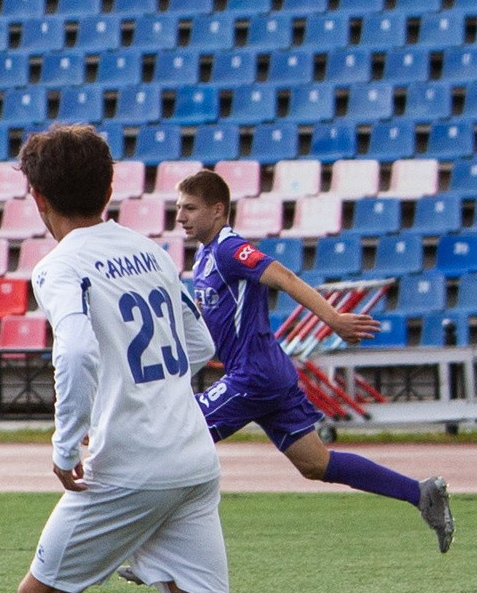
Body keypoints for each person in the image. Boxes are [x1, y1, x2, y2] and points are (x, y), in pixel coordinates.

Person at [16, 126, 385, 593]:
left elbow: (74, 354)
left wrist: (67, 443)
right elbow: (196, 343)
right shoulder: (151, 252)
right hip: (190, 454)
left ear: (36, 197)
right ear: (108, 190)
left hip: (132, 466)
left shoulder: (61, 265)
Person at [175, 167, 451, 552]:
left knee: (175, 440)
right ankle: (420, 493)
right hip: (266, 373)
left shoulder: (228, 249)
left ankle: (160, 553)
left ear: (218, 210)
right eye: (177, 207)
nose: (179, 217)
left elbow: (284, 276)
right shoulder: (205, 257)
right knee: (315, 464)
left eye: (189, 208)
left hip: (253, 376)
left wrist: (334, 319)